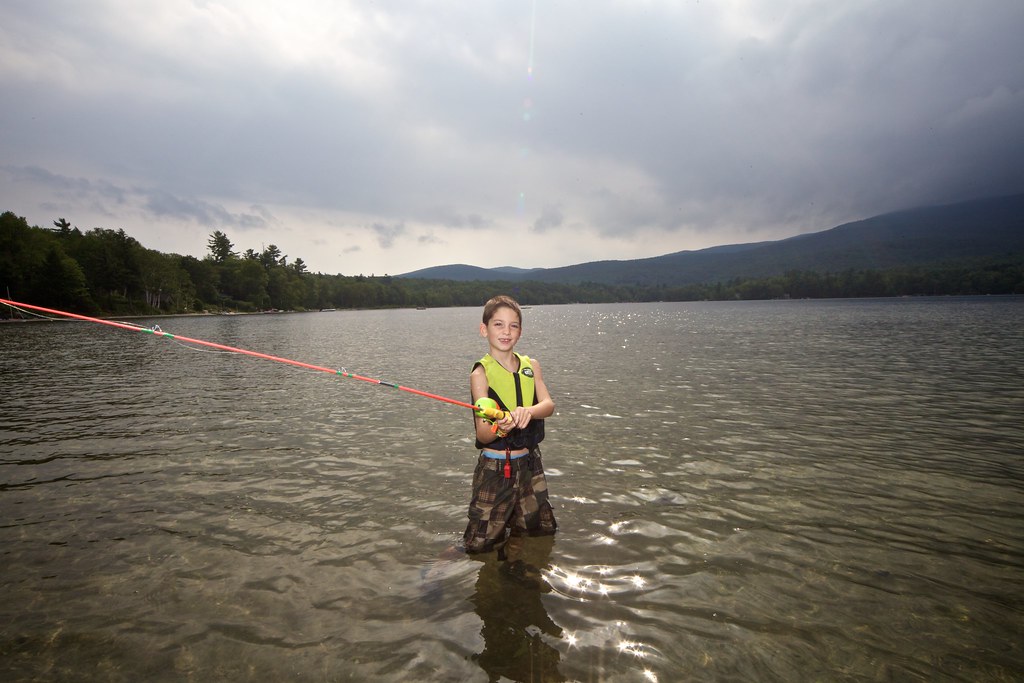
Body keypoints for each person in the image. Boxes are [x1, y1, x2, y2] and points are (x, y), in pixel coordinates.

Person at [463, 295, 558, 561]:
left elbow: (548, 405)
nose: (506, 331)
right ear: (484, 329)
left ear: (520, 331)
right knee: (479, 543)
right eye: (498, 324)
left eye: (513, 325)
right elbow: (482, 434)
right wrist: (500, 427)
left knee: (541, 530)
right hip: (495, 468)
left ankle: (518, 560)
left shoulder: (532, 366)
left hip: (530, 464)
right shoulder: (480, 374)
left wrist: (527, 411)